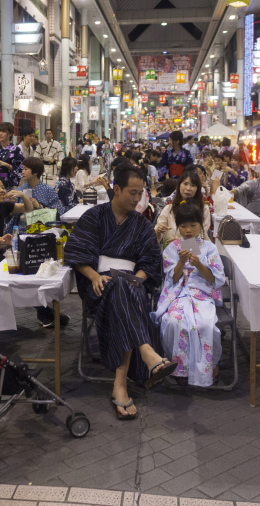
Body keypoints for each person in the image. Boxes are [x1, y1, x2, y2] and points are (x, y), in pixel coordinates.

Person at [64, 166, 177, 419]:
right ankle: (147, 352)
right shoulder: (93, 217)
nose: (137, 199)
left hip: (131, 286)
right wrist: (93, 276)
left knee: (123, 289)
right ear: (116, 190)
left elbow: (150, 263)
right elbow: (75, 253)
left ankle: (120, 383)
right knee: (118, 289)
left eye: (141, 193)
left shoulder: (143, 225)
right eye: (132, 193)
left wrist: (135, 280)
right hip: (98, 285)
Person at [152, 202, 225, 387]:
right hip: (179, 294)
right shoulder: (172, 248)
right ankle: (180, 369)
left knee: (205, 324)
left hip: (202, 295)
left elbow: (214, 280)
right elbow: (173, 280)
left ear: (201, 225)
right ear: (178, 227)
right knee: (174, 321)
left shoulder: (209, 248)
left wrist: (199, 264)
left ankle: (207, 368)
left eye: (193, 225)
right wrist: (181, 262)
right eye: (183, 226)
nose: (188, 230)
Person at [8, 157, 63, 234]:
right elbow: (11, 216)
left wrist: (39, 206)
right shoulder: (19, 190)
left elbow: (58, 211)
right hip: (22, 230)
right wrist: (10, 205)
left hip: (44, 230)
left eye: (25, 169)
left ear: (35, 172)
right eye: (22, 169)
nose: (22, 172)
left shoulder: (48, 190)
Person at [154, 171, 211, 245]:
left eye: (193, 185)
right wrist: (159, 230)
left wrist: (180, 243)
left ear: (198, 189)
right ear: (179, 185)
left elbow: (202, 236)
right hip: (171, 252)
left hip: (195, 251)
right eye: (185, 184)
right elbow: (157, 231)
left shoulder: (203, 209)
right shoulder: (169, 208)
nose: (188, 188)